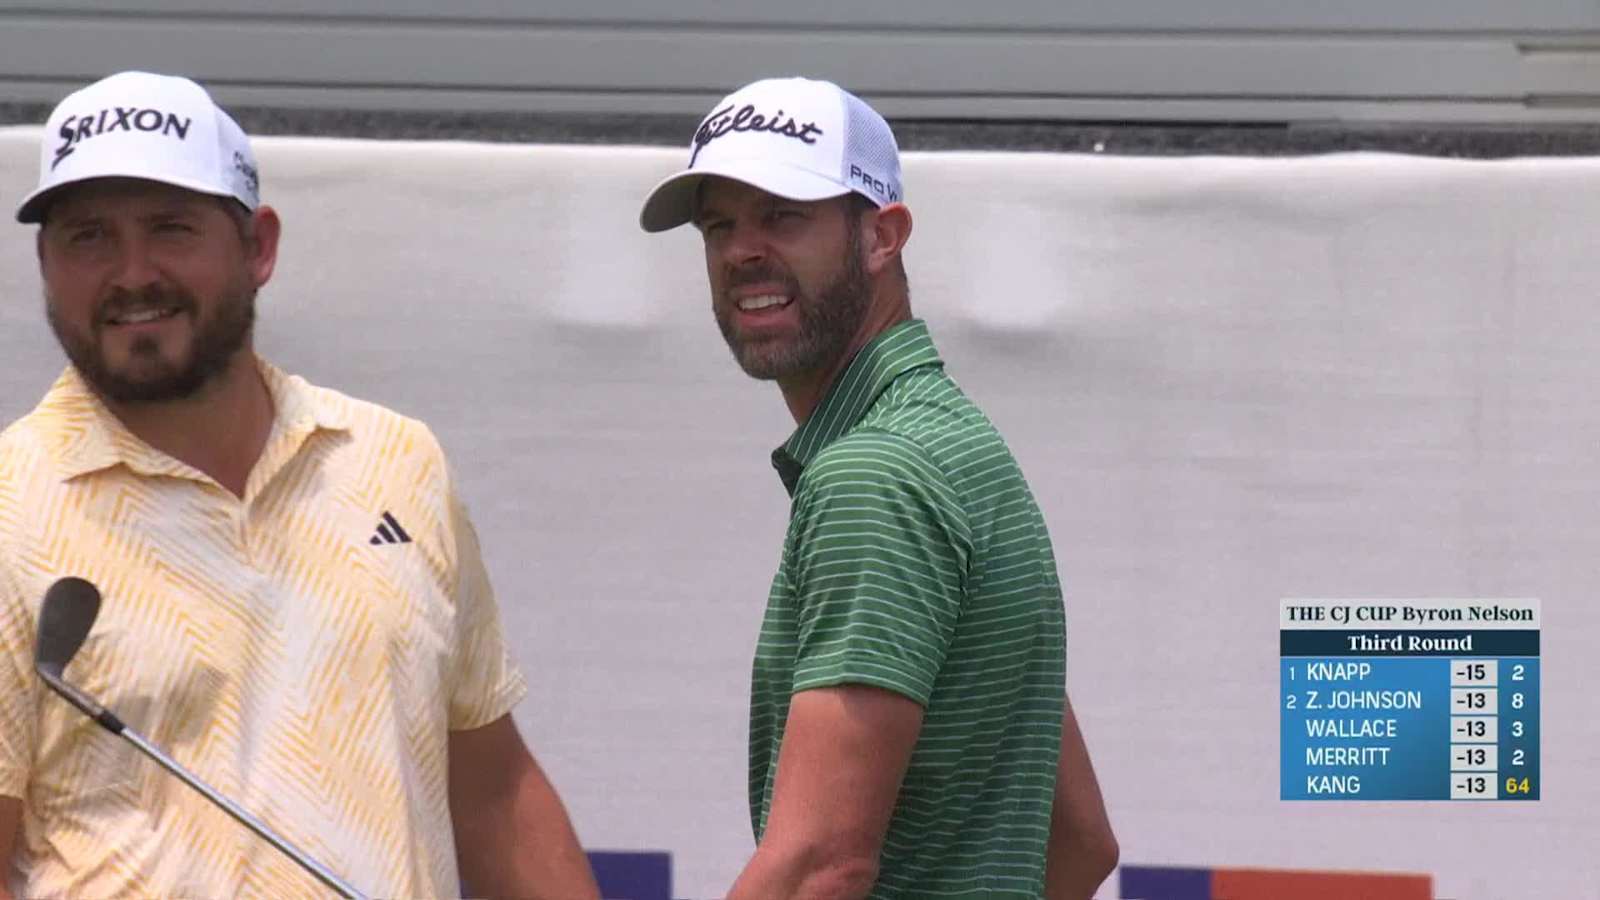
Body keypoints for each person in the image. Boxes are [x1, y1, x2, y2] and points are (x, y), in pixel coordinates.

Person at [0, 71, 599, 899]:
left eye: (171, 229)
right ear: (45, 266)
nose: (131, 273)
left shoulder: (394, 461)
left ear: (259, 249)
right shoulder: (8, 507)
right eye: (88, 237)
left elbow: (493, 794)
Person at [638, 76, 1119, 898]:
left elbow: (821, 864)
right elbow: (1079, 841)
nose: (741, 250)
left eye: (784, 214)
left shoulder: (877, 474)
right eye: (720, 224)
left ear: (881, 237)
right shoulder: (954, 446)